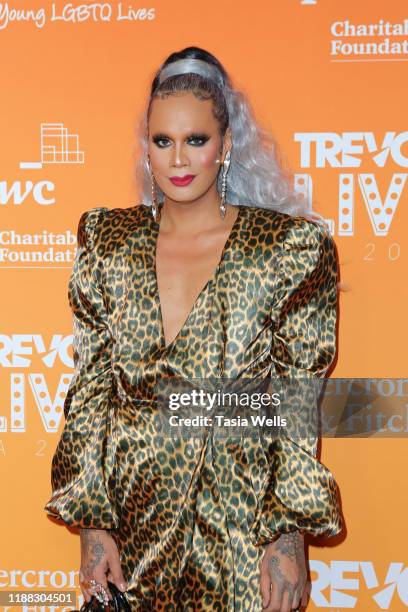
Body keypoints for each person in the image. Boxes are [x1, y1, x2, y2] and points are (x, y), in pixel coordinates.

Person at [44, 46, 343, 612]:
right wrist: (91, 524)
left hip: (238, 525)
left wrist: (287, 534)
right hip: (133, 526)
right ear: (147, 147)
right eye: (163, 141)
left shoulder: (286, 250)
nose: (178, 158)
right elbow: (90, 394)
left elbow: (297, 400)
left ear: (226, 144)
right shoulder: (109, 243)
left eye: (196, 140)